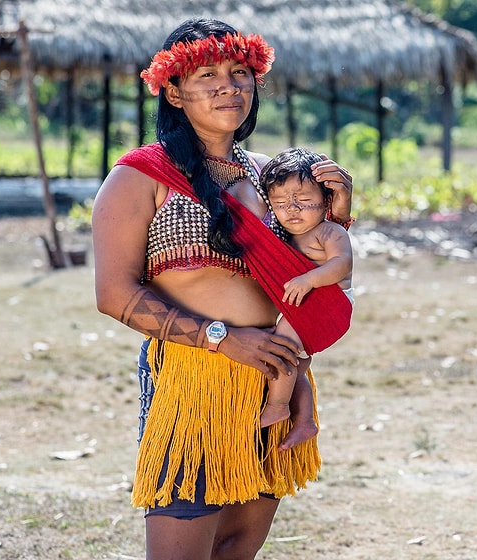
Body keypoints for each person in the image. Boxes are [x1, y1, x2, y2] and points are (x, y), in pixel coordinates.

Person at [91, 18, 354, 560]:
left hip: (275, 379)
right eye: (205, 74)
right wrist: (221, 337)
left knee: (236, 549)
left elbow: (314, 270)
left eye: (239, 72)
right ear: (172, 90)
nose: (227, 85)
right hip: (194, 379)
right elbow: (114, 294)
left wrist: (341, 215)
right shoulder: (140, 177)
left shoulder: (276, 178)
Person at [258, 147, 354, 431]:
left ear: (326, 201)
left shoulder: (329, 231)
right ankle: (305, 419)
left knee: (282, 347)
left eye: (303, 200)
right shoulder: (286, 235)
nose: (292, 209)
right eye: (280, 202)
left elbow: (342, 263)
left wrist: (309, 279)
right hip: (306, 306)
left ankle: (277, 407)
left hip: (329, 304)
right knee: (297, 366)